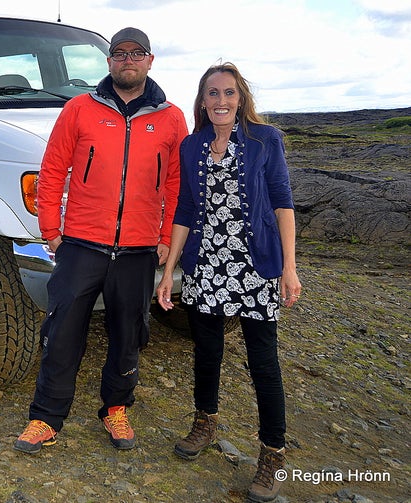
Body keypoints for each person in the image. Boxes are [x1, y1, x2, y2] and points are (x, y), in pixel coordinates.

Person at [14, 27, 187, 454]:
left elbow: (178, 182)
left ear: (150, 60)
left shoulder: (171, 117)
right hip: (81, 245)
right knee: (63, 331)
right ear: (109, 62)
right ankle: (45, 417)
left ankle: (116, 409)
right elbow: (52, 170)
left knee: (129, 334)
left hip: (138, 249)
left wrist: (165, 237)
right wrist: (51, 231)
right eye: (120, 53)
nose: (128, 60)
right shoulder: (79, 109)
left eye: (137, 53)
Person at [155, 62, 301, 502]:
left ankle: (271, 454)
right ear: (202, 101)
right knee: (207, 352)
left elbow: (282, 203)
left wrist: (289, 268)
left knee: (263, 362)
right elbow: (183, 209)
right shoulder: (192, 145)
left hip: (255, 266)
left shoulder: (264, 140)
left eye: (229, 93)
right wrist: (169, 271)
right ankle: (204, 423)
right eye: (212, 94)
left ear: (241, 99)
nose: (221, 101)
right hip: (207, 266)